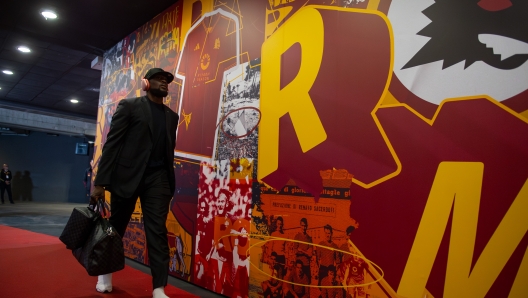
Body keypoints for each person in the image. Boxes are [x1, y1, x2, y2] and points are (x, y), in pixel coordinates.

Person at [90, 68, 179, 298]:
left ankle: (159, 288)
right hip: (127, 177)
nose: (164, 83)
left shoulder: (172, 116)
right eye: (159, 79)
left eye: (167, 81)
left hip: (158, 180)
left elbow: (168, 151)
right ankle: (105, 274)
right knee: (116, 228)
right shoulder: (129, 106)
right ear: (146, 83)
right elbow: (112, 144)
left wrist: (169, 183)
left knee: (157, 231)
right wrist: (100, 183)